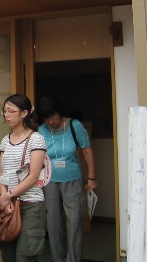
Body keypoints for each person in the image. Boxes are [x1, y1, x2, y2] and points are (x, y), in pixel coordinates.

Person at [37, 96, 98, 262]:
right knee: (53, 222)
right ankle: (58, 258)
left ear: (60, 112)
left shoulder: (74, 125)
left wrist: (92, 177)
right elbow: (37, 156)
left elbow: (87, 151)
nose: (50, 121)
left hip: (72, 179)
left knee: (74, 221)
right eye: (46, 118)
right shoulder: (41, 130)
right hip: (50, 181)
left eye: (53, 116)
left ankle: (73, 259)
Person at [0, 94, 47, 261]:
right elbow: (2, 174)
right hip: (9, 205)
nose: (6, 115)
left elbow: (33, 177)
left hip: (30, 206)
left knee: (25, 255)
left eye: (11, 111)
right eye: (4, 111)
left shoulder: (36, 139)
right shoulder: (5, 141)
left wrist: (9, 195)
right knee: (8, 255)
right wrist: (4, 198)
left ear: (24, 113)